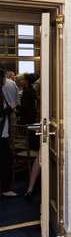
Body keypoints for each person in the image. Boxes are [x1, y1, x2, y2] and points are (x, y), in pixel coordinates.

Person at [0, 67, 17, 196]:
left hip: (3, 130)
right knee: (6, 159)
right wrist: (10, 109)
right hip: (2, 132)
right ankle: (5, 189)